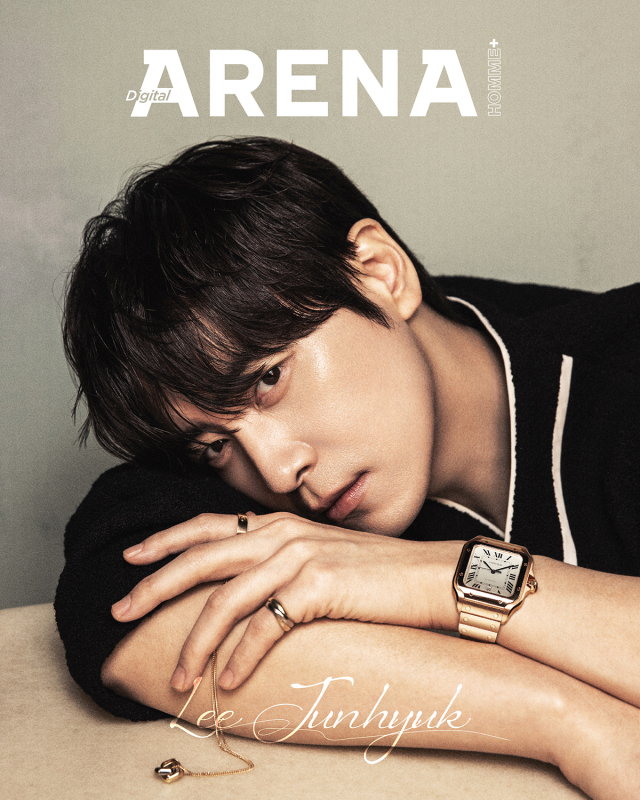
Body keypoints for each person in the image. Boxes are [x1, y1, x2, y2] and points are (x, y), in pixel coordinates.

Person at [55, 137, 640, 799]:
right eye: (213, 445)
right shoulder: (247, 469)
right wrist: (568, 721)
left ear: (379, 273)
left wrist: (439, 579)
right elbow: (120, 607)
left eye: (269, 378)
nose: (277, 471)